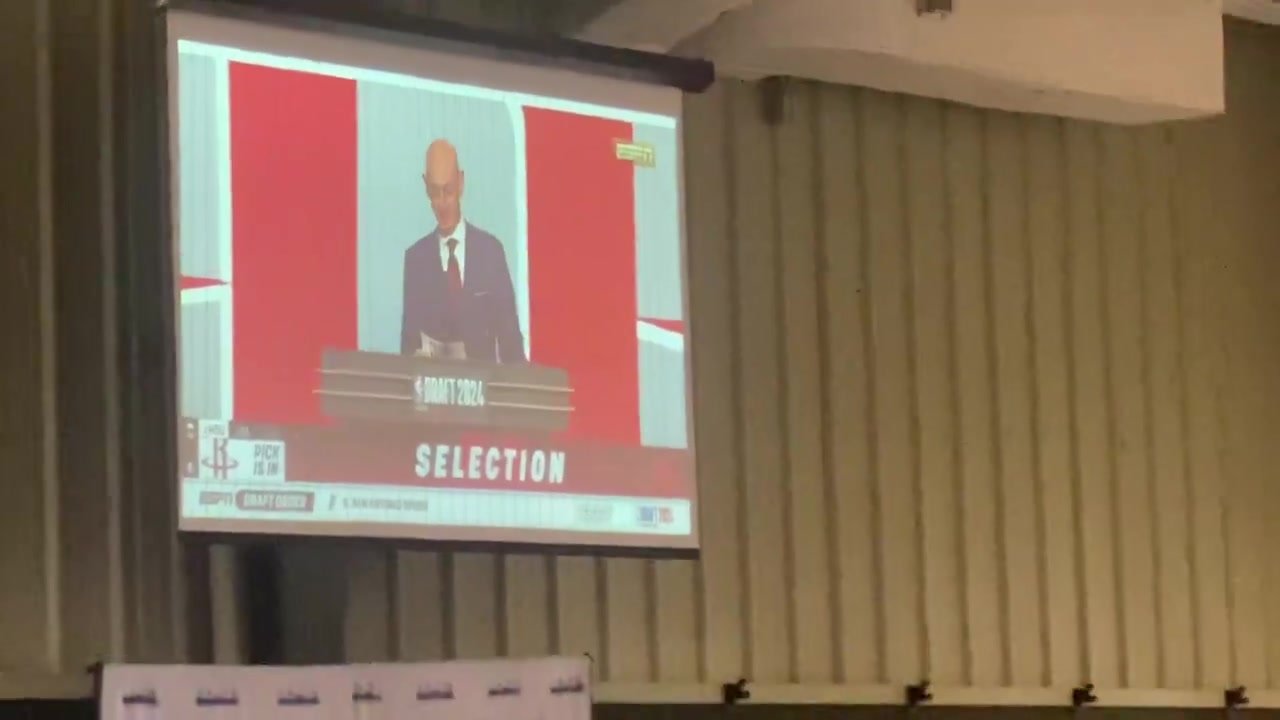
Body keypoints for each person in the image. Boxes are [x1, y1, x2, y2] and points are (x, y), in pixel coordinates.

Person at [399, 140, 526, 363]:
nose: (442, 203)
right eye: (434, 192)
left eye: (448, 191)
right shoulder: (416, 260)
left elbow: (512, 346)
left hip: (485, 383)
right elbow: (408, 347)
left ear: (461, 183)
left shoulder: (490, 253)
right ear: (425, 186)